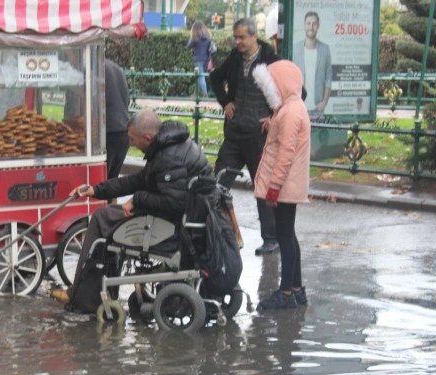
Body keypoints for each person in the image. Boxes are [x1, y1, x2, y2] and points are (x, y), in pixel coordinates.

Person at [50, 110, 213, 310]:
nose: (130, 143)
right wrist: (96, 190)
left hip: (174, 225)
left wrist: (137, 200)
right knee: (109, 217)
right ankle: (91, 292)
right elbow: (138, 180)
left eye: (132, 139)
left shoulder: (168, 158)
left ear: (147, 137)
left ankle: (82, 296)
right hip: (185, 217)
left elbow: (173, 202)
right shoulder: (169, 147)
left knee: (102, 217)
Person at [209, 17, 279, 256]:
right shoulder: (235, 59)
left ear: (254, 36)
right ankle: (219, 233)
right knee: (217, 184)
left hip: (258, 136)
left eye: (241, 37)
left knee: (262, 186)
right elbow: (215, 78)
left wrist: (275, 116)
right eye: (235, 37)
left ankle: (271, 239)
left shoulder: (271, 59)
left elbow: (296, 92)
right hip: (234, 134)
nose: (237, 41)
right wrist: (226, 101)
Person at [251, 60, 311, 309]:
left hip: (284, 186)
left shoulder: (289, 113)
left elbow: (286, 153)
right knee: (289, 235)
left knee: (285, 237)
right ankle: (296, 289)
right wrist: (272, 124)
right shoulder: (292, 108)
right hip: (289, 184)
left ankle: (286, 292)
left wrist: (274, 187)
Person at [292, 11, 332, 120]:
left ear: (318, 26)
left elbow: (328, 78)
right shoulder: (295, 49)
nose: (311, 27)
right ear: (304, 25)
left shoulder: (325, 49)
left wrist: (324, 102)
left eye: (314, 24)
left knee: (316, 136)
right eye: (308, 23)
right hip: (300, 107)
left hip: (317, 109)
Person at [104, 59, 130, 180]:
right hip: (123, 131)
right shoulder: (115, 67)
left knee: (99, 185)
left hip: (107, 132)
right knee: (112, 183)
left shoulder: (95, 67)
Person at [187, 20, 214, 97]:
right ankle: (195, 94)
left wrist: (191, 38)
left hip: (198, 59)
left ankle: (205, 94)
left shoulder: (195, 37)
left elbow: (189, 46)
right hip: (207, 59)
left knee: (201, 77)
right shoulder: (208, 36)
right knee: (200, 76)